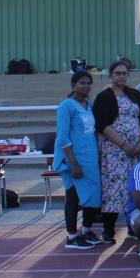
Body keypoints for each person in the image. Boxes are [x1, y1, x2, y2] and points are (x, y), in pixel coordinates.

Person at [93, 60, 140, 244]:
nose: (121, 76)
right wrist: (123, 144)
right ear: (111, 75)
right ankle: (108, 230)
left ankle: (133, 227)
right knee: (113, 189)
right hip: (114, 151)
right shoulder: (104, 96)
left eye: (124, 73)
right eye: (118, 73)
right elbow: (102, 124)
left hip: (137, 151)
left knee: (134, 188)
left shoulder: (135, 94)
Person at [54, 69, 101, 249]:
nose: (86, 86)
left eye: (88, 83)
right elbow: (62, 137)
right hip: (72, 159)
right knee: (73, 196)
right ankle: (72, 236)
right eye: (82, 82)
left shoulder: (89, 104)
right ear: (74, 84)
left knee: (93, 195)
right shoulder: (66, 106)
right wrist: (73, 164)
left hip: (89, 158)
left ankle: (86, 230)